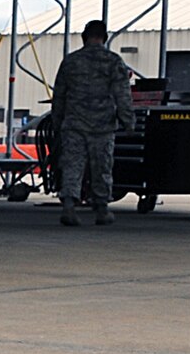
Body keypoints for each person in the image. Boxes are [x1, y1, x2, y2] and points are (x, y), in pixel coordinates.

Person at [49, 19, 133, 226]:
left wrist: (57, 122)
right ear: (104, 38)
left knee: (72, 165)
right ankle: (102, 209)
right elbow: (122, 95)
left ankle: (69, 206)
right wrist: (128, 121)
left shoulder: (70, 61)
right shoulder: (113, 61)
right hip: (102, 126)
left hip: (74, 124)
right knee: (102, 166)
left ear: (84, 37)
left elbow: (59, 95)